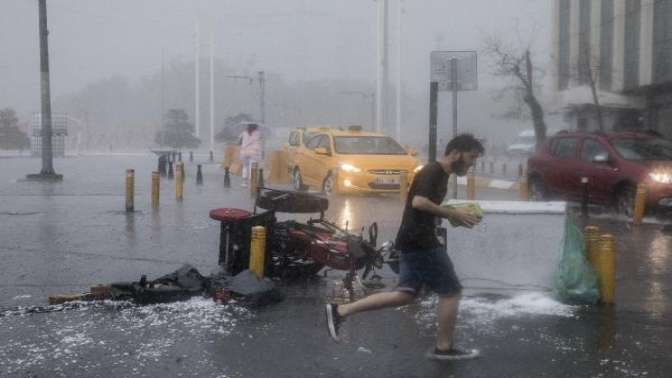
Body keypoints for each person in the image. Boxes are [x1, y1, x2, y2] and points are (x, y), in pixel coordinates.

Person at [325, 134, 484, 360]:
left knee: (404, 294)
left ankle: (340, 311)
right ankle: (444, 347)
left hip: (412, 239)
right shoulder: (433, 171)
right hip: (421, 242)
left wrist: (452, 215)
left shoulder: (441, 174)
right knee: (451, 292)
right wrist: (452, 213)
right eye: (471, 157)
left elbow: (423, 205)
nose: (472, 163)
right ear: (456, 153)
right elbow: (419, 202)